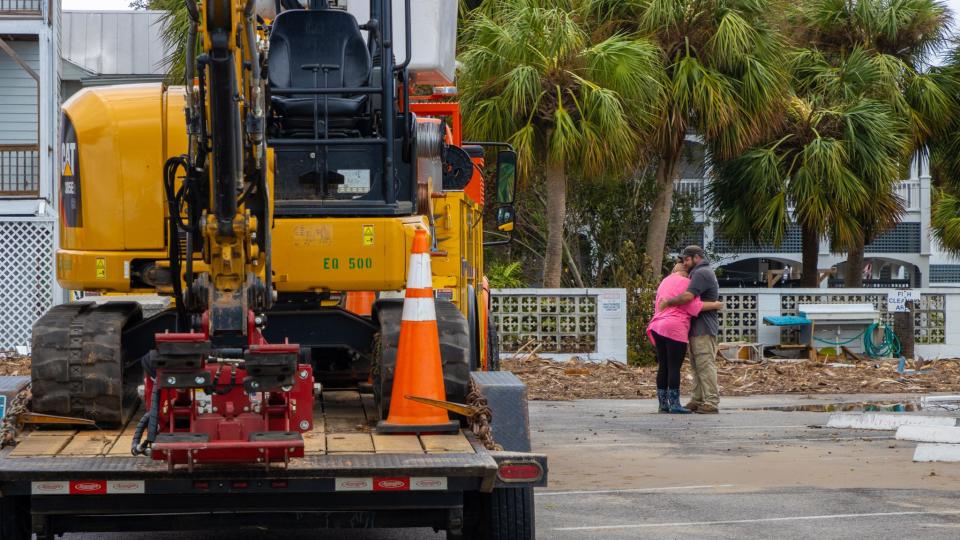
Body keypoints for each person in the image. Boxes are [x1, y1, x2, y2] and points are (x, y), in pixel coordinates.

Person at [648, 263, 723, 413]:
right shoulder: (686, 282)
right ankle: (675, 404)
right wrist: (715, 304)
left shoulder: (664, 281)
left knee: (663, 366)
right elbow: (693, 306)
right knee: (674, 367)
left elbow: (659, 303)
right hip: (675, 328)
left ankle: (663, 405)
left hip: (657, 326)